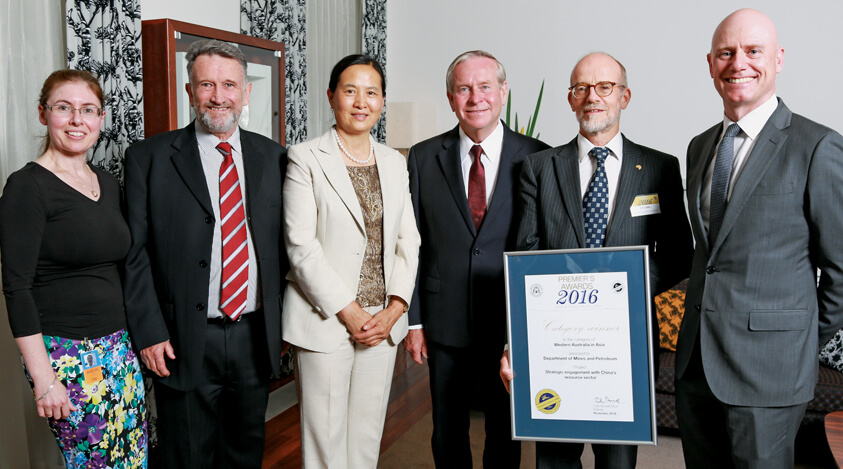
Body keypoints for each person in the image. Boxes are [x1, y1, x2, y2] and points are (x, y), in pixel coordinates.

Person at [499, 52, 693, 469]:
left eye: (604, 87)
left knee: (617, 461)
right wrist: (514, 340)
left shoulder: (660, 167)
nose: (593, 97)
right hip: (554, 339)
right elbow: (526, 254)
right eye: (581, 88)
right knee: (553, 457)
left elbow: (680, 255)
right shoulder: (539, 168)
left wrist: (622, 285)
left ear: (624, 96)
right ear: (570, 100)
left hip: (626, 339)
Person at [675, 9, 843, 468]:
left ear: (779, 59)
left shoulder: (817, 145)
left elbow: (842, 270)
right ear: (710, 63)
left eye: (753, 51)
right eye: (726, 53)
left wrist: (798, 342)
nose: (738, 63)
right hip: (696, 367)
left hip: (771, 371)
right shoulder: (699, 146)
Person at [123, 39, 288, 468]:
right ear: (190, 91)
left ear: (246, 92)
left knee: (245, 451)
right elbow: (134, 254)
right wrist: (149, 332)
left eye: (230, 84)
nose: (219, 96)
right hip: (181, 338)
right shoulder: (149, 159)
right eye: (207, 85)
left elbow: (286, 248)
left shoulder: (275, 158)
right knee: (187, 454)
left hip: (254, 336)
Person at [405, 50, 550, 468]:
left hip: (509, 321)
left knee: (505, 432)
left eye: (485, 86)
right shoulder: (421, 156)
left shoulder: (539, 157)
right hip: (443, 319)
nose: (475, 97)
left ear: (503, 92)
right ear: (451, 98)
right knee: (447, 431)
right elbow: (411, 242)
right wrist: (414, 321)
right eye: (464, 88)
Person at [0, 69, 147, 468]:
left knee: (132, 459)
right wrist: (45, 380)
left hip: (118, 350)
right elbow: (17, 287)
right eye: (64, 108)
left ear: (101, 118)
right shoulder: (26, 187)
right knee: (94, 463)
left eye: (88, 110)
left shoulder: (107, 182)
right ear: (43, 114)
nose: (77, 120)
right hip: (66, 355)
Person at [282, 54, 420, 469]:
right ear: (331, 96)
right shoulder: (305, 157)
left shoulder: (395, 162)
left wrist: (396, 307)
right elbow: (301, 245)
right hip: (326, 320)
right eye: (350, 90)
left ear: (381, 102)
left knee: (365, 438)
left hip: (382, 323)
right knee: (325, 443)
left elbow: (407, 240)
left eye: (372, 92)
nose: (361, 102)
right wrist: (350, 310)